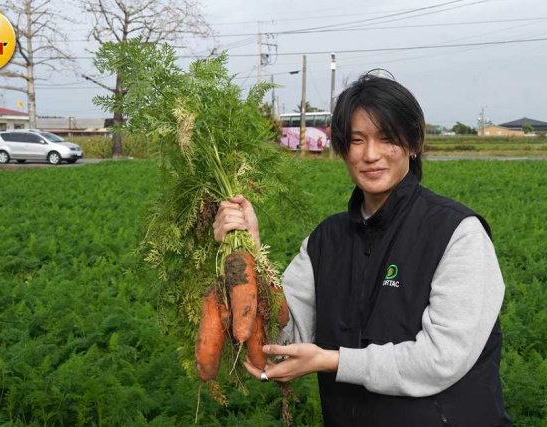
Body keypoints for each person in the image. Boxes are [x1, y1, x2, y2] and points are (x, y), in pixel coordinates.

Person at [213, 72, 510, 426]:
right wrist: (248, 250)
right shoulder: (325, 242)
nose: (371, 155)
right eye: (357, 140)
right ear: (343, 149)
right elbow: (283, 338)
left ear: (413, 144)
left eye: (387, 138)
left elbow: (441, 358)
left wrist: (332, 361)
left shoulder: (456, 233)